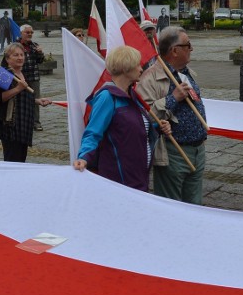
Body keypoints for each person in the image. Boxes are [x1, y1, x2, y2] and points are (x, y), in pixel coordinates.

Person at [73, 46, 171, 191]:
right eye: (137, 65)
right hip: (119, 180)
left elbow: (133, 128)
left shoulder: (132, 95)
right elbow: (93, 133)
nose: (141, 69)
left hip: (137, 176)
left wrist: (158, 127)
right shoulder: (107, 97)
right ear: (126, 68)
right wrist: (84, 157)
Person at [137, 26, 207, 204]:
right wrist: (172, 98)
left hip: (197, 150)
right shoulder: (151, 77)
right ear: (175, 50)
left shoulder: (185, 72)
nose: (191, 49)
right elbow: (144, 115)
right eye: (188, 45)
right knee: (171, 206)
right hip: (173, 152)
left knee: (195, 204)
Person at [0, 42, 52, 162]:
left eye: (22, 55)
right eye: (15, 55)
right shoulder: (5, 74)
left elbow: (20, 97)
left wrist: (37, 101)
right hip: (11, 127)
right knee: (12, 160)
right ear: (8, 59)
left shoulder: (22, 73)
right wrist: (17, 88)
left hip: (23, 125)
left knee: (21, 159)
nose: (20, 58)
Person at [18, 24, 46, 130]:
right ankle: (22, 122)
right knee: (20, 100)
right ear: (21, 33)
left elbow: (40, 61)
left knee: (36, 100)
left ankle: (36, 122)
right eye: (27, 32)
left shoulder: (34, 45)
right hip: (21, 78)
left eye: (31, 32)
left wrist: (40, 53)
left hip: (34, 77)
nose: (30, 34)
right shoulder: (15, 46)